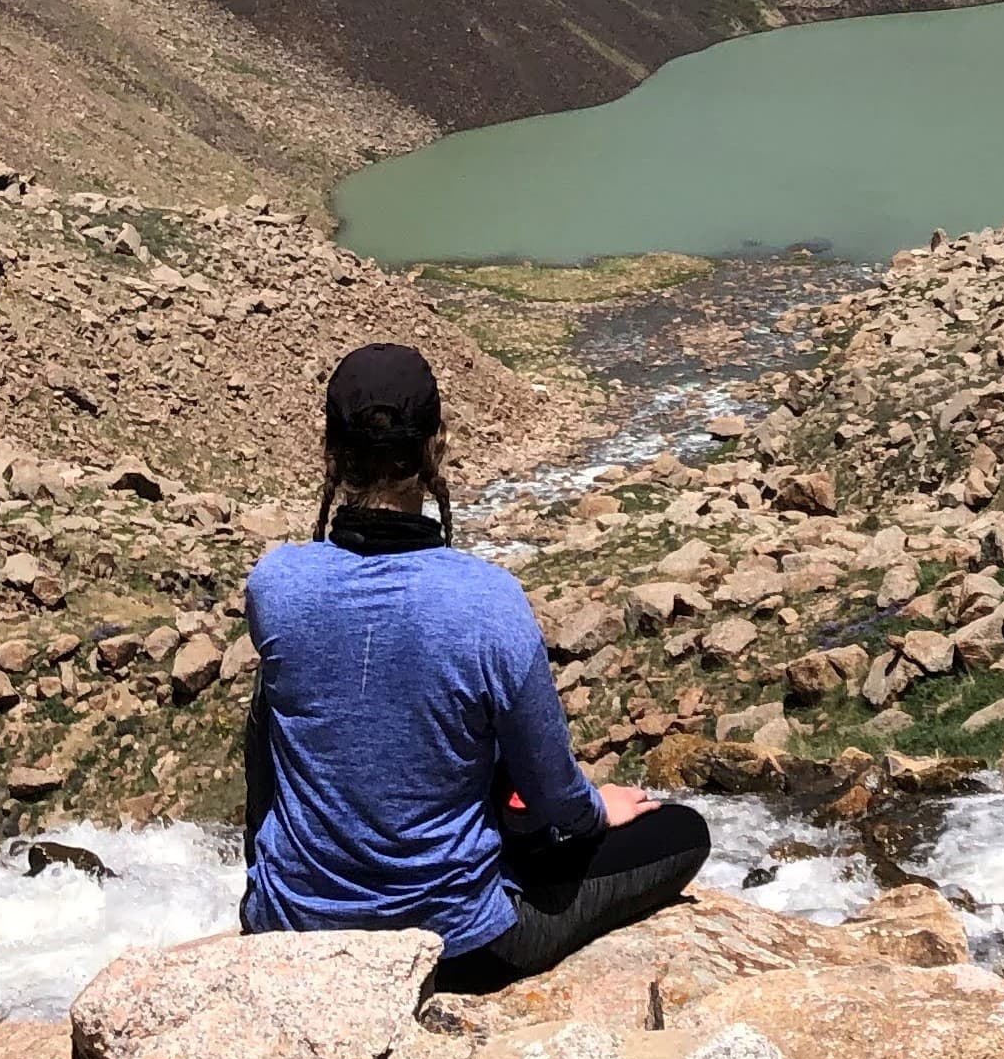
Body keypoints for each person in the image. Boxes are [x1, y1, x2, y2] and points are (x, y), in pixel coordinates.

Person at [241, 341, 709, 988]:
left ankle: (275, 884)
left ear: (332, 451)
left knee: (272, 693)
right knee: (683, 831)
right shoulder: (487, 598)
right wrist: (595, 809)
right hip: (454, 944)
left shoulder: (276, 584)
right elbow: (552, 794)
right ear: (437, 445)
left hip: (296, 924)